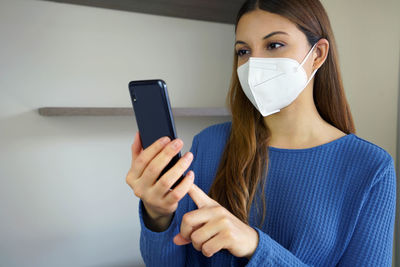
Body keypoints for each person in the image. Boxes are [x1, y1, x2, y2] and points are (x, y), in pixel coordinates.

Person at [126, 0, 397, 266]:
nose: (254, 64)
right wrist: (158, 215)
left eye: (274, 45)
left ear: (318, 54)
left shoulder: (371, 167)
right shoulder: (209, 143)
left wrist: (256, 246)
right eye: (243, 51)